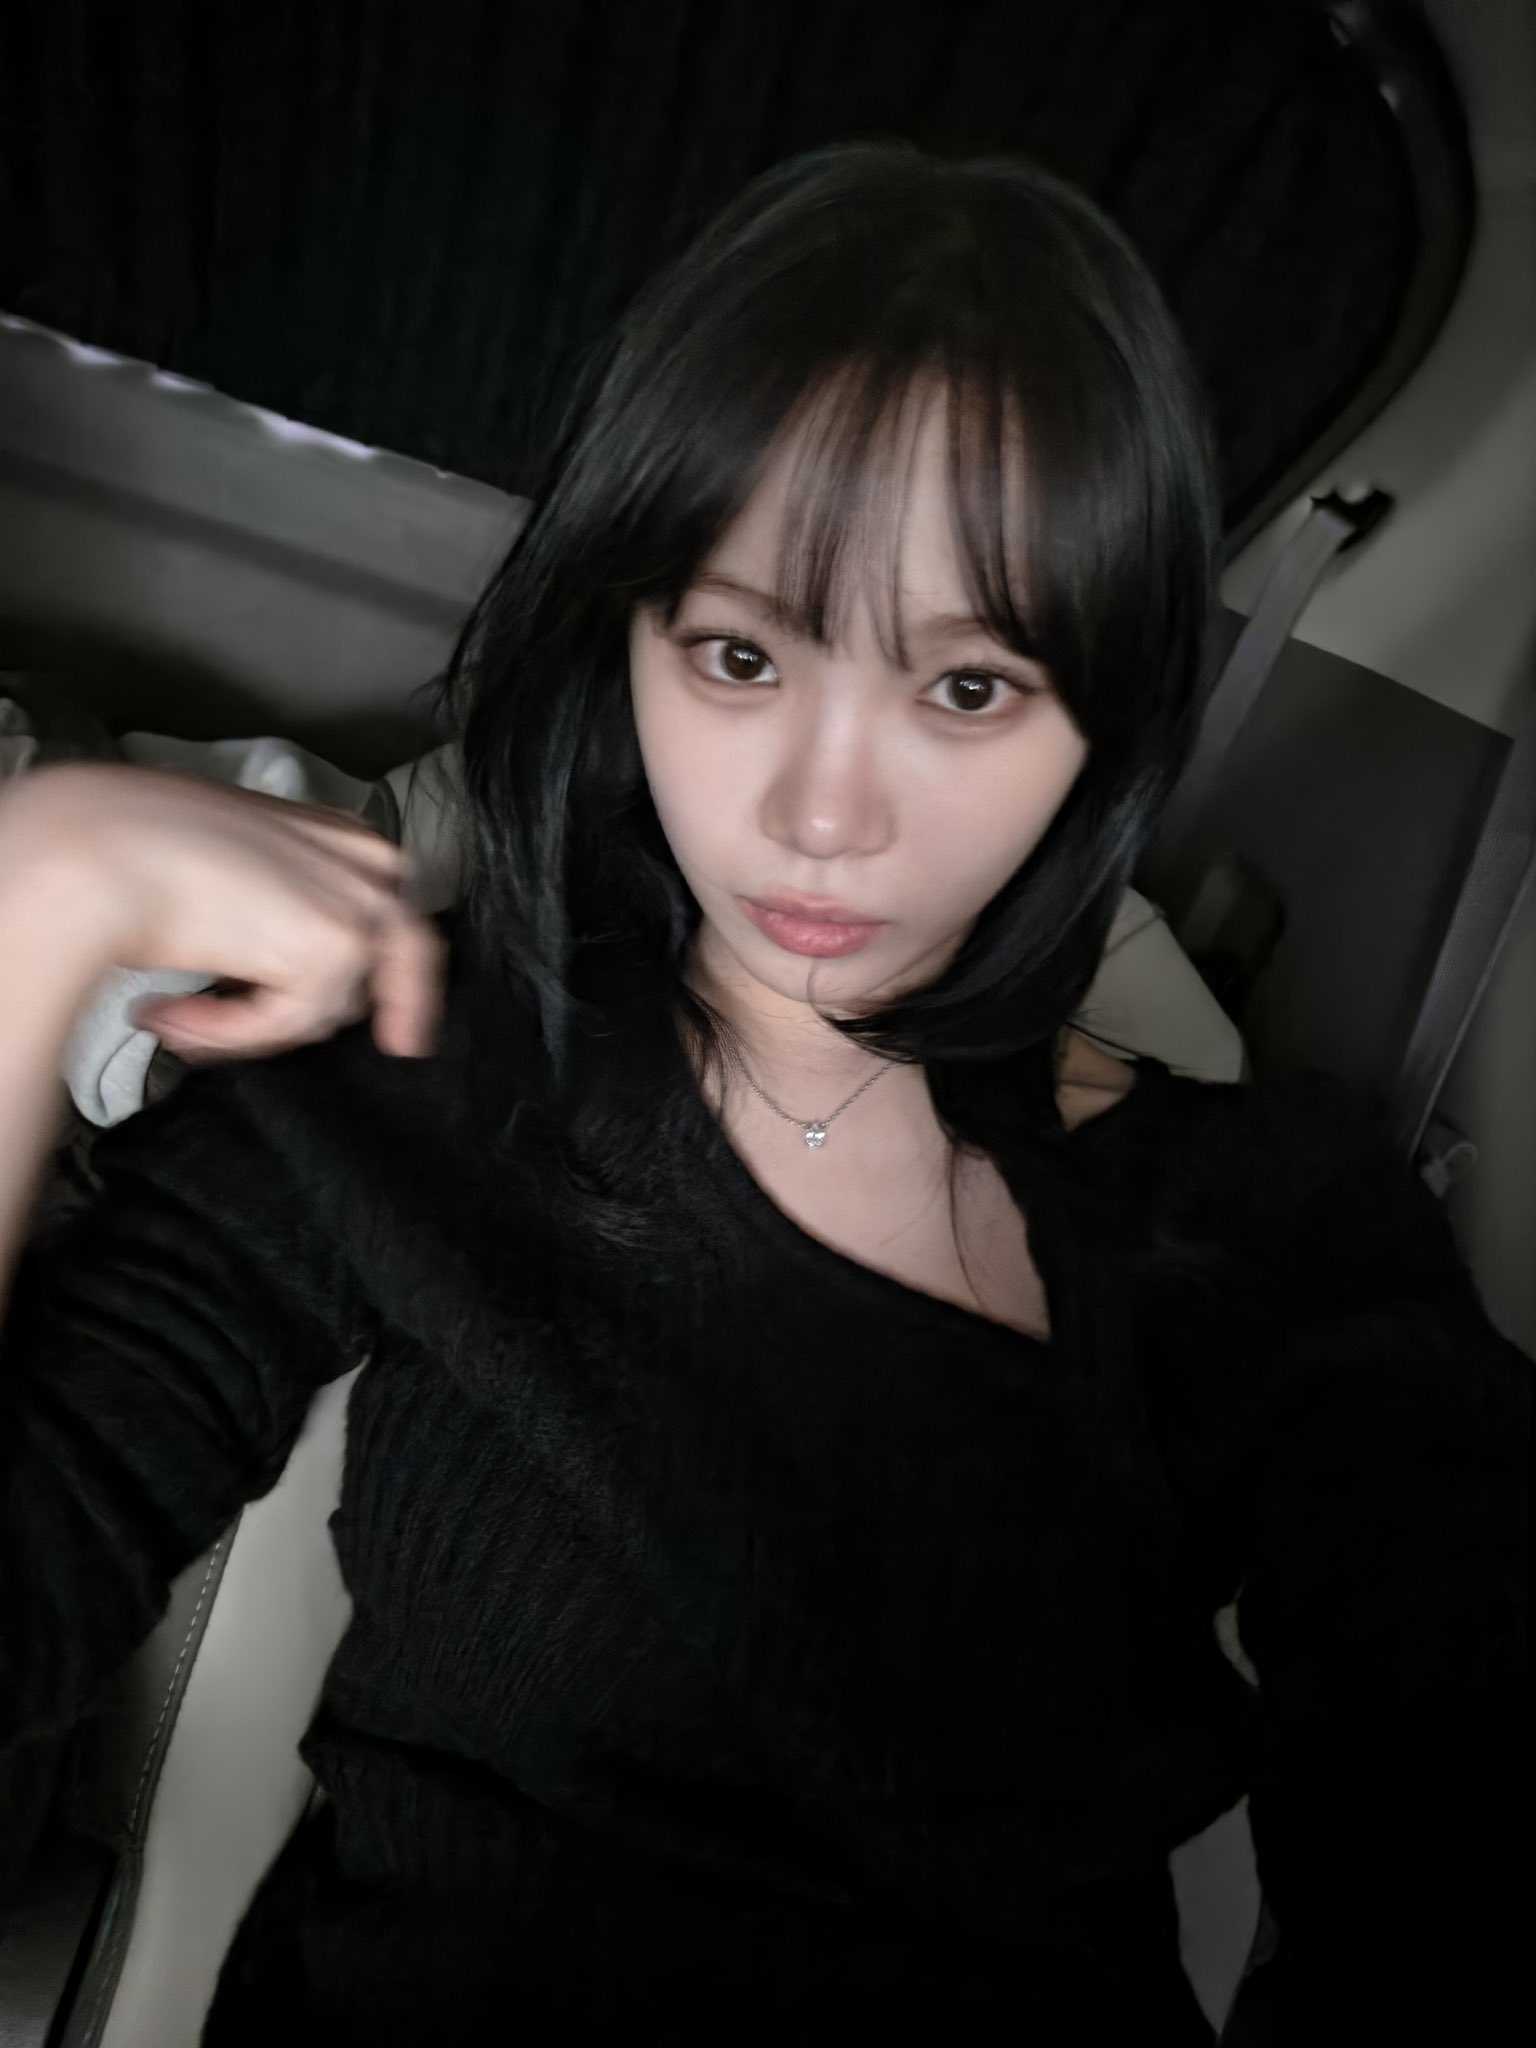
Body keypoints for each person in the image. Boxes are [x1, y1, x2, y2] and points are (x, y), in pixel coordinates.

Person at [0, 140, 1526, 2047]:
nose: (823, 814)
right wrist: (38, 902)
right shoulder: (413, 1069)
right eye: (740, 654)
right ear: (628, 637)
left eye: (965, 691)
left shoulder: (1273, 1228)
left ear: (1102, 719)